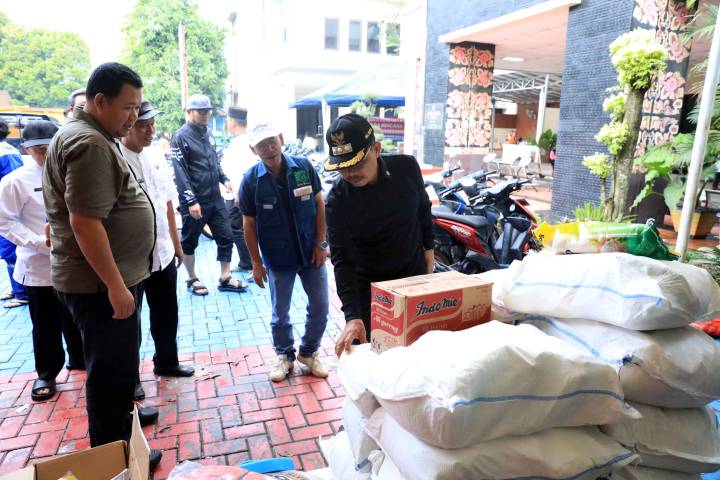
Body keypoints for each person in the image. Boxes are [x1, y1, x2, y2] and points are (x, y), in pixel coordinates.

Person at [43, 62, 161, 468]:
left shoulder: (91, 135)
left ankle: (126, 435)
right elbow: (84, 222)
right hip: (100, 287)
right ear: (99, 101)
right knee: (110, 375)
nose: (134, 116)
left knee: (119, 367)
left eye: (138, 107)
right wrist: (115, 285)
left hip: (106, 281)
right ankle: (115, 461)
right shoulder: (89, 143)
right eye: (128, 107)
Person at [323, 114, 434, 357]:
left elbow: (423, 208)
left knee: (419, 352)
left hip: (413, 277)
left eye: (357, 163)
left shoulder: (406, 168)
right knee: (379, 359)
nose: (350, 173)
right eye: (343, 167)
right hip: (372, 292)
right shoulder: (337, 200)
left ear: (376, 149)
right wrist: (353, 316)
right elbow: (342, 260)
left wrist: (429, 249)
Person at [0, 121, 85, 402]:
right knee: (46, 323)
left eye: (50, 148)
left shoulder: (73, 171)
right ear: (26, 149)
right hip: (39, 264)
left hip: (75, 261)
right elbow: (5, 221)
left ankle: (80, 359)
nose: (46, 154)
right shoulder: (15, 182)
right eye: (38, 150)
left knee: (77, 318)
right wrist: (37, 241)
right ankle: (46, 373)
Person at [239, 124, 329, 382]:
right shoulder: (250, 181)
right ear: (253, 150)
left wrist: (321, 244)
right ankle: (285, 356)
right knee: (280, 313)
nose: (269, 148)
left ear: (281, 139)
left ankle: (308, 353)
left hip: (311, 252)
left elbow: (319, 204)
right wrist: (256, 263)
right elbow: (249, 224)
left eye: (272, 141)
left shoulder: (304, 167)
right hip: (278, 257)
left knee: (321, 306)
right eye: (261, 145)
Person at [120, 100, 195, 402]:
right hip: (132, 258)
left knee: (166, 313)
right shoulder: (116, 158)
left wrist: (176, 245)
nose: (150, 130)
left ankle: (167, 361)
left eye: (152, 124)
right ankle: (130, 378)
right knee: (131, 324)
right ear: (128, 125)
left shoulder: (155, 157)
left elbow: (167, 204)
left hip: (162, 252)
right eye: (143, 125)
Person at [170, 94, 247, 295]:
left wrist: (224, 179)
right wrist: (191, 200)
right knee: (190, 241)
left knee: (226, 235)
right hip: (194, 201)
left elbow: (214, 161)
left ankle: (225, 277)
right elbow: (180, 172)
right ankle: (192, 278)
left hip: (215, 197)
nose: (205, 115)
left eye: (207, 111)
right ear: (189, 111)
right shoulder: (180, 137)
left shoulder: (209, 133)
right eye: (201, 111)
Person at [221, 106, 254, 272]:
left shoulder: (241, 143)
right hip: (237, 193)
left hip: (238, 194)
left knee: (238, 228)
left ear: (232, 123)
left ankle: (249, 262)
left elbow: (244, 171)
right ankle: (249, 261)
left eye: (228, 121)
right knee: (242, 228)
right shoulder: (246, 140)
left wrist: (238, 194)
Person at [0, 120, 28, 308]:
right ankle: (17, 288)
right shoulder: (9, 148)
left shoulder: (3, 152)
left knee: (10, 250)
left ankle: (22, 292)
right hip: (12, 206)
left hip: (8, 208)